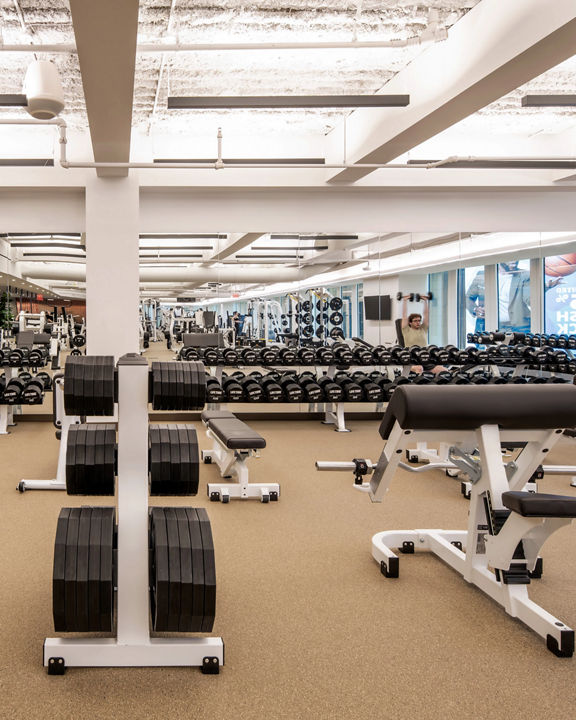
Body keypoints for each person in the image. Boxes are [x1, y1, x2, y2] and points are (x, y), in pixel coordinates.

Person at [401, 296, 446, 374]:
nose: (418, 322)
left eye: (419, 320)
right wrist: (405, 300)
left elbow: (426, 314)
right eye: (415, 321)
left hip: (425, 357)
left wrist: (425, 301)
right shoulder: (406, 330)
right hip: (412, 358)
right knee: (419, 369)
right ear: (410, 322)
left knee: (444, 371)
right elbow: (404, 315)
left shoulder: (423, 329)